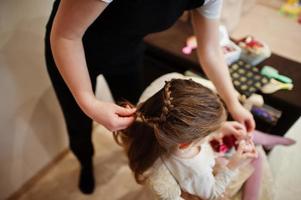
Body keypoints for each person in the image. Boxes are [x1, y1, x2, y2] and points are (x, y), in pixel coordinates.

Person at [45, 0, 255, 194]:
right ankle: (85, 161)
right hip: (71, 49)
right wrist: (89, 102)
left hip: (128, 49)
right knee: (78, 121)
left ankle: (135, 153)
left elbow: (210, 49)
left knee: (141, 118)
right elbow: (65, 36)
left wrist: (233, 104)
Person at [114, 79, 295, 200]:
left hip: (202, 153)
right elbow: (214, 194)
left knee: (241, 136)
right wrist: (233, 165)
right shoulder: (197, 171)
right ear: (187, 143)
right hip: (213, 175)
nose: (215, 131)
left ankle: (267, 139)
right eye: (210, 131)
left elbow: (196, 138)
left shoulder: (156, 129)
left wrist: (222, 128)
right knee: (256, 158)